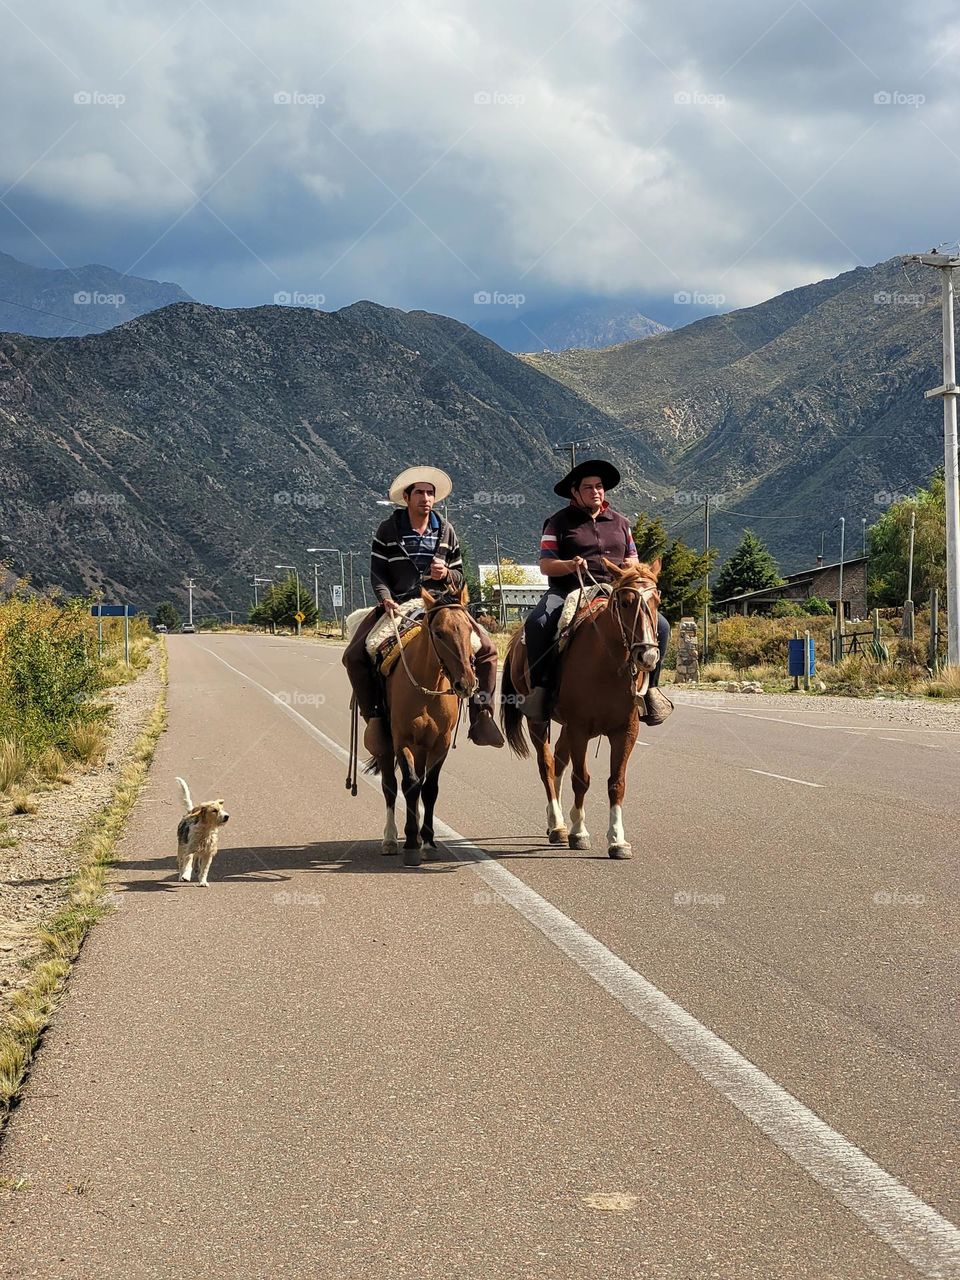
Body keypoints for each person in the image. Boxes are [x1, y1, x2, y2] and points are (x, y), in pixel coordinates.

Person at [342, 465, 504, 755]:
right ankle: (376, 717)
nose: (426, 498)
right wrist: (384, 598)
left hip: (440, 605)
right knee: (355, 654)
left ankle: (482, 712)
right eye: (420, 493)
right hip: (398, 603)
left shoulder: (447, 531)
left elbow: (459, 575)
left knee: (488, 649)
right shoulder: (388, 530)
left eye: (430, 493)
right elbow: (377, 571)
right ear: (407, 497)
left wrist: (447, 575)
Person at [522, 459, 673, 724]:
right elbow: (546, 565)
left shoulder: (621, 523)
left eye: (600, 487)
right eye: (589, 487)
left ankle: (651, 689)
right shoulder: (557, 523)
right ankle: (541, 688)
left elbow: (634, 560)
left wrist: (630, 567)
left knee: (661, 626)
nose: (596, 492)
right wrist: (570, 564)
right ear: (575, 492)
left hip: (615, 591)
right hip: (569, 590)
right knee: (538, 623)